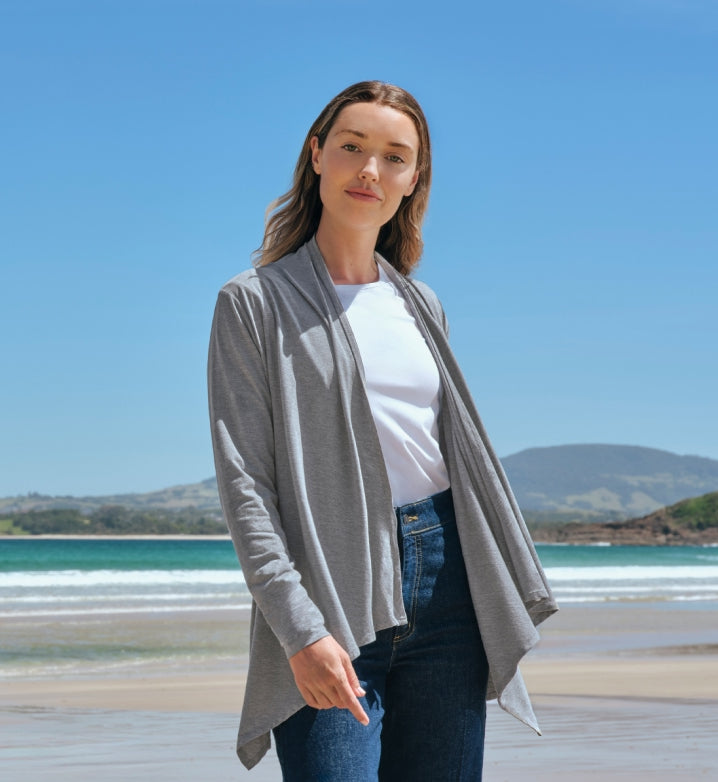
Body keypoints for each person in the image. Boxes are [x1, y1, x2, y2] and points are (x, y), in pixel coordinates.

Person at [208, 81, 557, 781]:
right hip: (329, 591)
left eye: (394, 157)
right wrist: (299, 632)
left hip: (449, 586)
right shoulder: (253, 303)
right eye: (352, 147)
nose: (370, 171)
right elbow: (247, 487)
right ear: (317, 156)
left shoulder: (420, 304)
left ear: (413, 179)